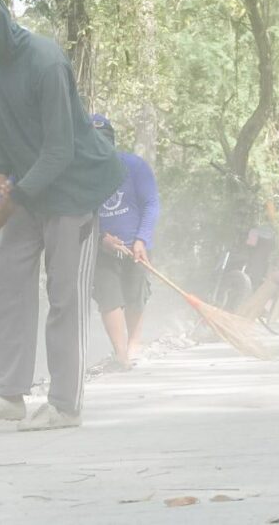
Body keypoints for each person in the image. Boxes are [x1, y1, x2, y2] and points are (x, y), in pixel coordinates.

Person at [0, 0, 124, 431]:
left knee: (65, 294)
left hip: (72, 187)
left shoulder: (45, 63)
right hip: (30, 184)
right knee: (7, 280)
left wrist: (11, 202)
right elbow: (1, 123)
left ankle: (66, 406)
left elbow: (60, 150)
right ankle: (10, 395)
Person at [90, 114, 160, 371]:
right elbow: (79, 214)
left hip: (136, 247)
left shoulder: (134, 166)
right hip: (101, 250)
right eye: (93, 141)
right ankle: (120, 353)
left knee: (135, 296)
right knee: (109, 298)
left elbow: (151, 204)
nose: (99, 146)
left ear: (112, 141)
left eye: (104, 140)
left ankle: (133, 344)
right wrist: (100, 239)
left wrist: (142, 239)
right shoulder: (82, 174)